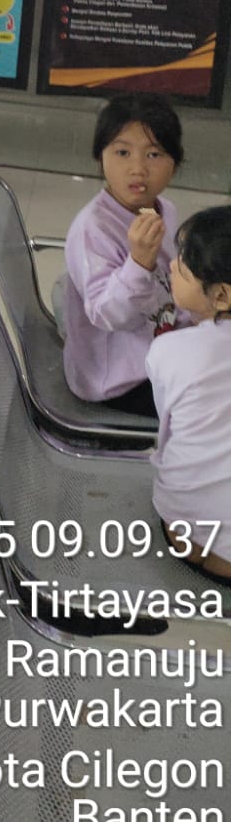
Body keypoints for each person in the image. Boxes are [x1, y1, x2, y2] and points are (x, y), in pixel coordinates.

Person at [59, 92, 185, 417]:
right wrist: (139, 262)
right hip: (120, 378)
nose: (138, 169)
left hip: (164, 347)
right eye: (122, 152)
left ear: (175, 164)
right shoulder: (93, 228)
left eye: (154, 154)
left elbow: (175, 284)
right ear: (100, 157)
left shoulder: (166, 210)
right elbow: (108, 316)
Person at [148, 206, 231, 581]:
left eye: (182, 268)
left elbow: (168, 431)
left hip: (181, 527)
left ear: (221, 296)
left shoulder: (169, 351)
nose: (170, 266)